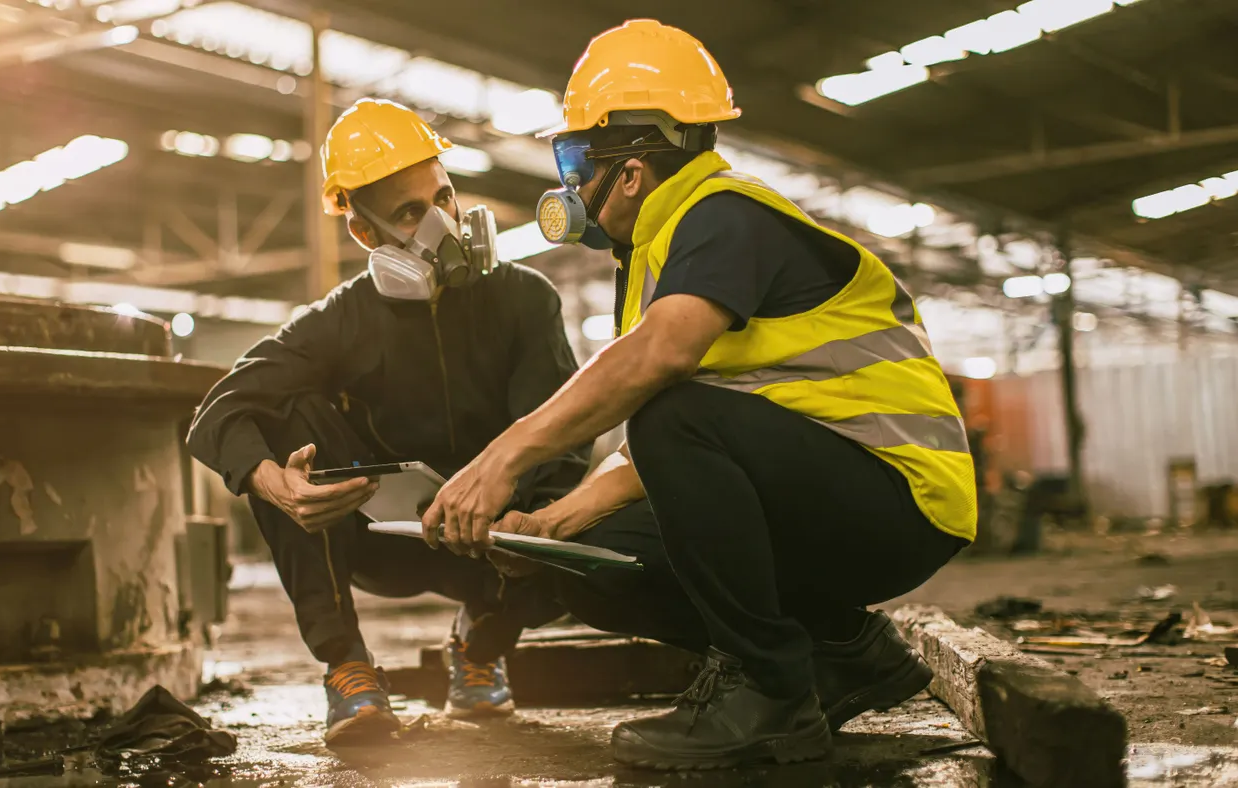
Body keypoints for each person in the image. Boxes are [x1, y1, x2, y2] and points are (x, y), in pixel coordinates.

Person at [422, 20, 977, 771]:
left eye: (576, 157)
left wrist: (503, 459)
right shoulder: (659, 250)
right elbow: (702, 443)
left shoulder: (722, 213)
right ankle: (841, 653)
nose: (569, 183)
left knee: (665, 406)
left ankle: (771, 692)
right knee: (591, 564)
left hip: (901, 499)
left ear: (632, 169)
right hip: (830, 489)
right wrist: (557, 522)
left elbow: (667, 375)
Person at [187, 98, 590, 745]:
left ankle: (481, 645)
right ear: (365, 233)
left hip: (495, 540)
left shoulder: (525, 301)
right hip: (381, 537)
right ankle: (348, 667)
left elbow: (564, 443)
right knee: (288, 417)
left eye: (446, 197)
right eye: (410, 212)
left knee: (575, 498)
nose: (443, 223)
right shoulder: (340, 321)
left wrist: (530, 514)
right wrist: (275, 484)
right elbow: (219, 411)